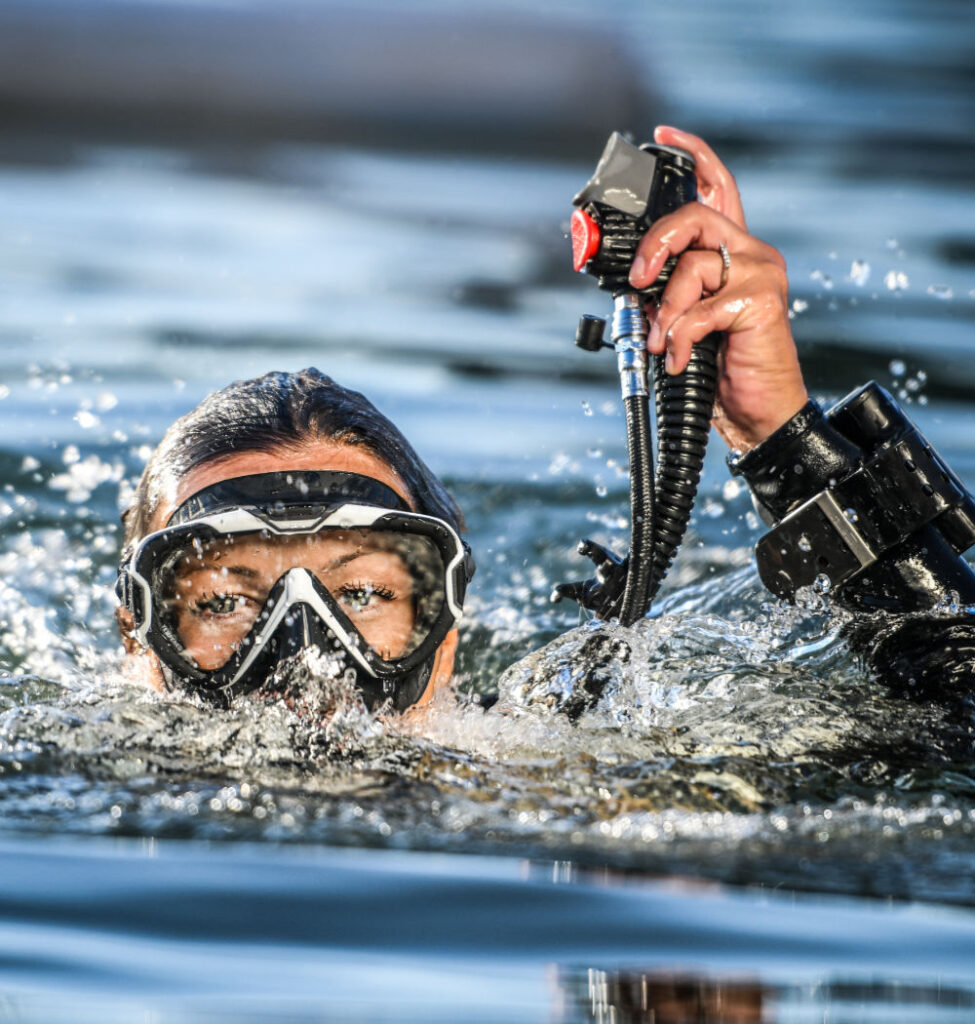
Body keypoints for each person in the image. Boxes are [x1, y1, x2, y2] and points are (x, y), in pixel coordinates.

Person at [115, 126, 975, 712]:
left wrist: (781, 440)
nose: (305, 653)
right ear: (140, 639)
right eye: (226, 600)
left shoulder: (568, 772)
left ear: (445, 628)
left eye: (365, 592)